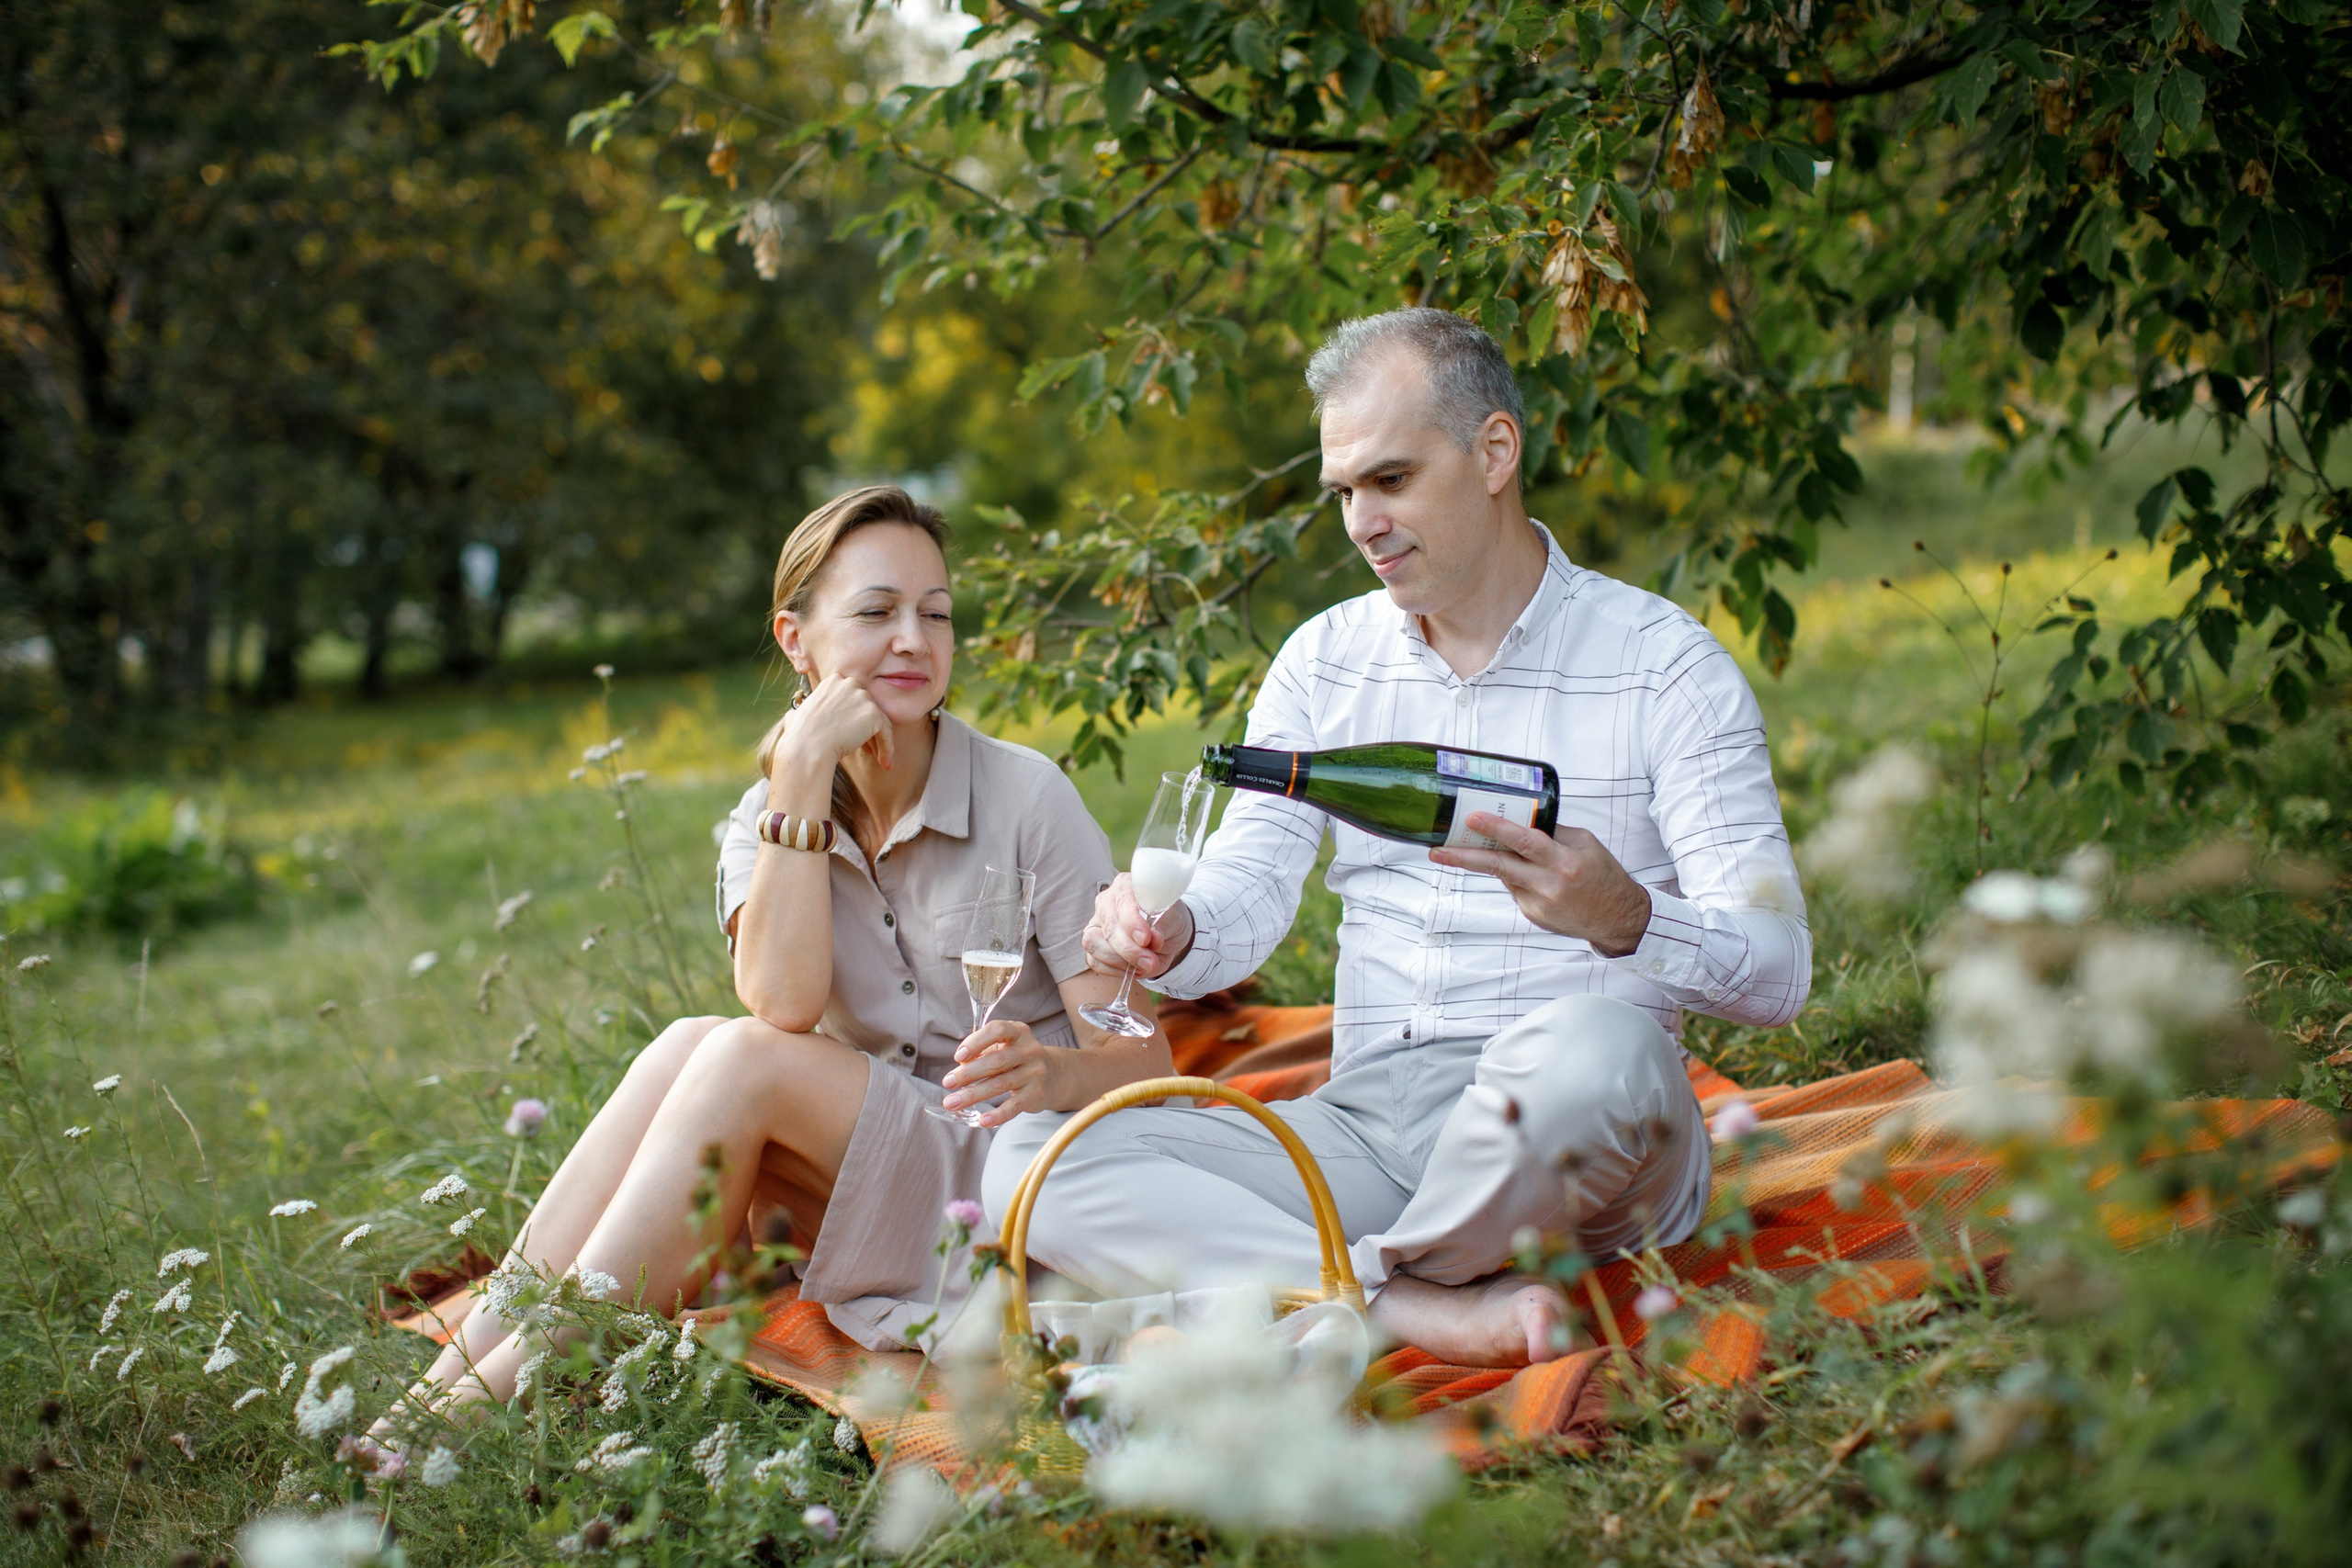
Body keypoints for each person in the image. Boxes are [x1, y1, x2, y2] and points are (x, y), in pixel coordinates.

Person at [982, 310, 1810, 1367]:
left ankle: (1298, 1284)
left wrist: (1630, 922)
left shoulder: (1665, 667)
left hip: (1567, 1114)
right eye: (1343, 494)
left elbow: (1781, 976)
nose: (1361, 522)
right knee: (1030, 1158)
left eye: (1391, 480)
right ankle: (1403, 1303)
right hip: (1367, 1125)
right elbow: (1246, 886)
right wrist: (1173, 929)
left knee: (1601, 1049)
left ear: (1494, 452)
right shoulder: (1326, 660)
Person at [381, 485, 1171, 1434]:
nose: (915, 641)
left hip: (1014, 1174)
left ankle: (473, 1411)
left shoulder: (1025, 795)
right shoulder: (761, 818)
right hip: (857, 1182)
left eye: (936, 613)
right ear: (796, 641)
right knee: (692, 1040)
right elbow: (783, 1000)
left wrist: (1047, 1069)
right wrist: (798, 778)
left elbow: (1145, 1062)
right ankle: (440, 1400)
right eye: (876, 612)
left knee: (737, 1055)